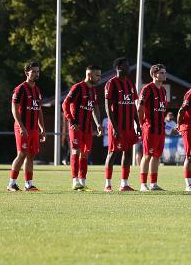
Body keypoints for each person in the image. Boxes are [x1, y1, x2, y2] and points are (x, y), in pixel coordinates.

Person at [103, 57, 142, 192]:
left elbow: (133, 106)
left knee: (128, 152)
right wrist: (114, 127)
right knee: (112, 153)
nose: (128, 68)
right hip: (117, 126)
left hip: (129, 126)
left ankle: (124, 184)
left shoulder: (130, 84)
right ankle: (108, 184)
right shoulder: (111, 83)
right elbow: (107, 107)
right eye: (126, 66)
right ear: (119, 68)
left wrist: (138, 124)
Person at [63, 64, 103, 190]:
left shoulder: (93, 90)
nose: (99, 78)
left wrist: (98, 124)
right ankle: (75, 181)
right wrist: (71, 120)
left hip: (87, 128)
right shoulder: (78, 88)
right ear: (89, 75)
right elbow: (65, 104)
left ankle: (82, 182)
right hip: (76, 126)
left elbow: (95, 108)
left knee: (85, 154)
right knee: (76, 151)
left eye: (100, 75)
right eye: (97, 75)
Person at [8, 61, 46, 191]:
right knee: (22, 154)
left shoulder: (37, 90)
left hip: (33, 128)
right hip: (22, 127)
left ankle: (28, 184)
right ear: (26, 73)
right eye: (33, 71)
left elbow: (39, 110)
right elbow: (14, 109)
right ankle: (11, 183)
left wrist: (42, 128)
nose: (36, 74)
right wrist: (21, 126)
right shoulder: (21, 89)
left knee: (31, 155)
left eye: (38, 71)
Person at [138, 64, 168, 191]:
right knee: (147, 155)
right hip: (150, 128)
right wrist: (141, 124)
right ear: (154, 75)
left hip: (161, 128)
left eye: (164, 72)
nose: (164, 75)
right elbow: (140, 108)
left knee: (156, 156)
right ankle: (143, 184)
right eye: (161, 73)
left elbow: (162, 109)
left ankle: (153, 184)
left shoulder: (164, 90)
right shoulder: (147, 89)